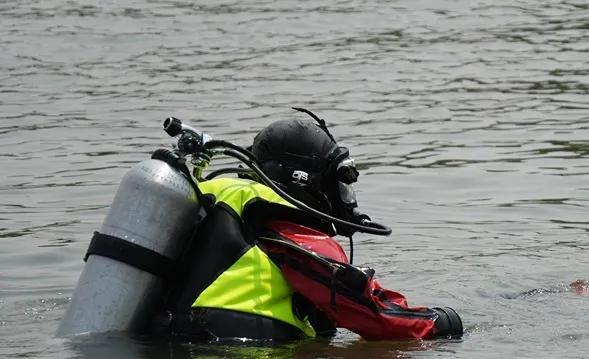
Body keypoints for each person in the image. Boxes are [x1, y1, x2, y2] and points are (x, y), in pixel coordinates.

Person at [157, 109, 463, 343]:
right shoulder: (285, 222)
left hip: (180, 350)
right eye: (335, 182)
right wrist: (438, 323)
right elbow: (363, 309)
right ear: (305, 181)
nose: (341, 196)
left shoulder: (219, 198)